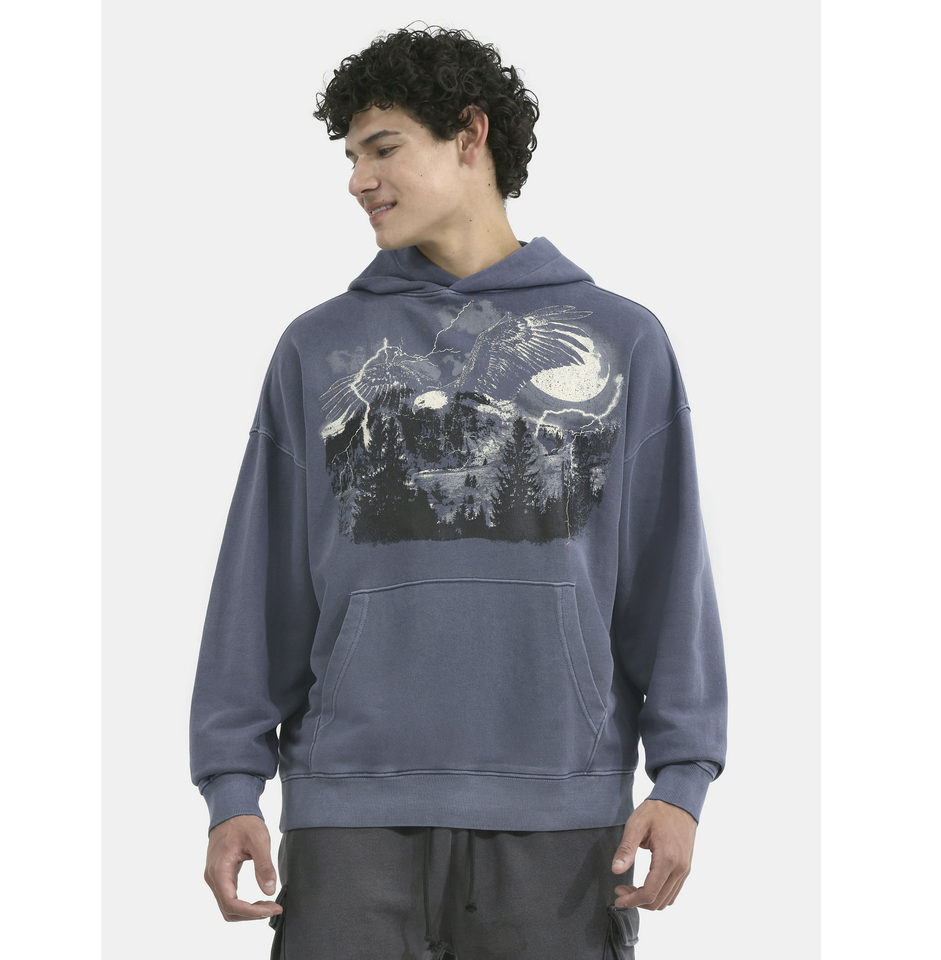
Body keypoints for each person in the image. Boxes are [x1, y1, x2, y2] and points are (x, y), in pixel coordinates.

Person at [190, 24, 727, 960]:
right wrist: (231, 787)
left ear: (470, 136)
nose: (358, 180)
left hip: (560, 819)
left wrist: (681, 781)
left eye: (383, 148)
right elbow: (258, 581)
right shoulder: (316, 346)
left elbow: (668, 576)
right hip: (351, 816)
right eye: (351, 158)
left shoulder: (624, 339)